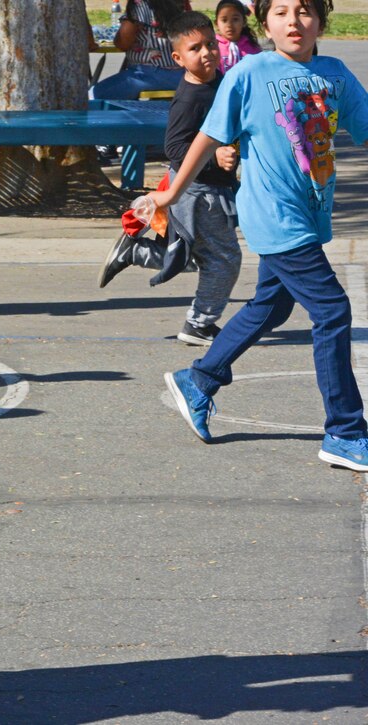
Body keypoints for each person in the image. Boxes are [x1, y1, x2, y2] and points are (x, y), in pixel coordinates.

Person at [154, 0, 368, 472]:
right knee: (332, 310)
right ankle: (345, 431)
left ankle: (200, 378)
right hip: (272, 214)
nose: (294, 22)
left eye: (305, 11)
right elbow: (207, 137)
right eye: (281, 12)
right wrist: (170, 195)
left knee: (273, 303)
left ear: (321, 21)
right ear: (265, 23)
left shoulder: (334, 73)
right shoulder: (250, 71)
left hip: (309, 213)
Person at [98, 11, 242, 347]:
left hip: (208, 189)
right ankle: (199, 325)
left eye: (210, 44)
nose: (206, 52)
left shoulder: (215, 82)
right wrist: (215, 156)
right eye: (195, 48)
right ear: (177, 58)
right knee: (223, 260)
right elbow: (175, 148)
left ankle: (135, 252)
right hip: (199, 191)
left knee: (197, 256)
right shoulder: (190, 99)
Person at [91, 0, 190, 100]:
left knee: (93, 95)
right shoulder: (179, 3)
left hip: (149, 74)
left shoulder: (139, 4)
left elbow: (123, 42)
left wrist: (117, 38)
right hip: (181, 74)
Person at [215, 0, 261, 74]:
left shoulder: (253, 48)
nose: (229, 25)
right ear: (216, 23)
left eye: (235, 19)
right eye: (224, 20)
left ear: (244, 22)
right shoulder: (214, 47)